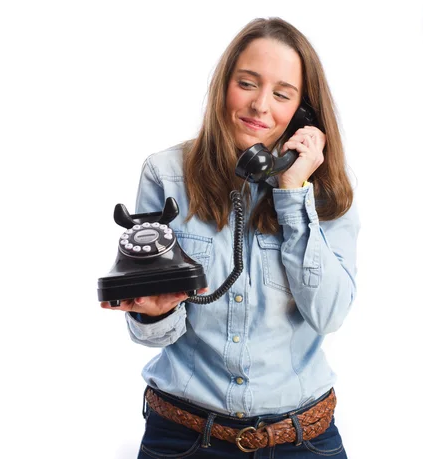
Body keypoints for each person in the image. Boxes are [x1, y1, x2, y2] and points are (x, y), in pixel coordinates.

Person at [100, 17, 359, 458]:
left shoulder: (324, 188)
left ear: (303, 114)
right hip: (183, 437)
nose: (261, 105)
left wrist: (292, 193)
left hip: (302, 440)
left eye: (282, 94)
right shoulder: (166, 175)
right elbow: (156, 335)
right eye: (247, 83)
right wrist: (152, 314)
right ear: (224, 85)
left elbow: (330, 313)